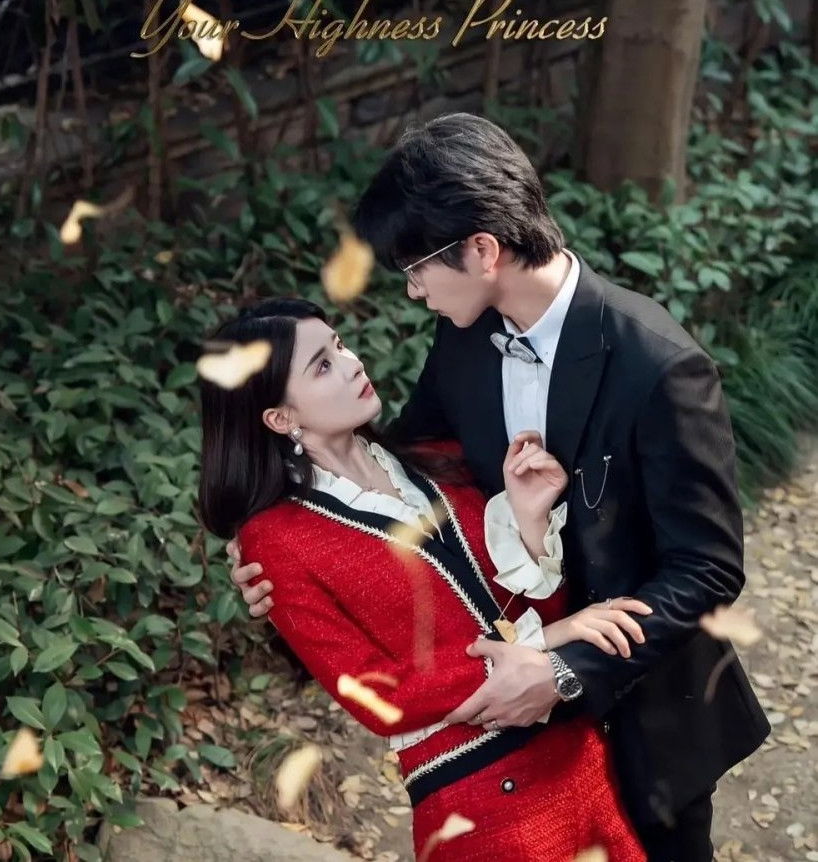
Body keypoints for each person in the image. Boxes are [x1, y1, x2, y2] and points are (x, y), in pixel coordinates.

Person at [229, 114, 770, 862]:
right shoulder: (464, 336)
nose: (412, 290)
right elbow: (399, 468)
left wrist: (561, 669)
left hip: (647, 713)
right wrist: (277, 560)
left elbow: (707, 568)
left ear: (483, 250)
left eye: (416, 267)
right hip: (516, 754)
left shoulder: (658, 364)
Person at [201, 296, 649, 861]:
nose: (352, 363)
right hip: (479, 799)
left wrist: (531, 521)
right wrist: (549, 641)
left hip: (579, 756)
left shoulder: (435, 460)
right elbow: (375, 693)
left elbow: (520, 606)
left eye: (340, 345)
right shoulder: (275, 539)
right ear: (281, 418)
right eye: (322, 365)